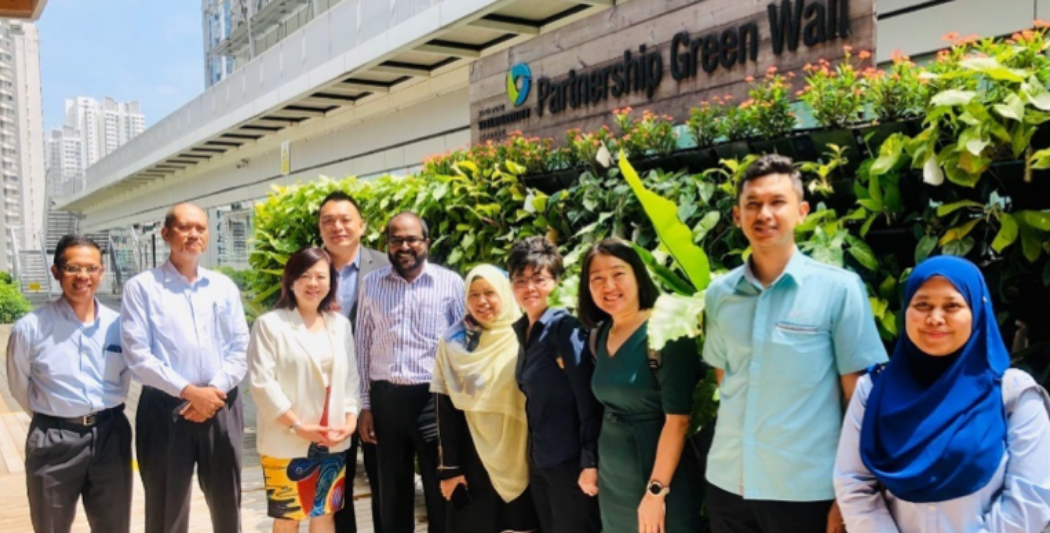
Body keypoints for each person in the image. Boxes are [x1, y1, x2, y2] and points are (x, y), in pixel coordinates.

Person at [702, 154, 888, 533]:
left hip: (805, 492)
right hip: (728, 484)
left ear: (802, 212)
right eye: (752, 204)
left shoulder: (839, 290)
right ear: (737, 216)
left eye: (777, 202)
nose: (764, 214)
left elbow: (860, 400)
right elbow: (727, 380)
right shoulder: (720, 294)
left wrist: (852, 493)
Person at [834, 255, 1050, 533]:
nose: (935, 318)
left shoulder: (1012, 393)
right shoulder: (873, 390)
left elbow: (1032, 496)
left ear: (977, 312)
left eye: (952, 306)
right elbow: (854, 483)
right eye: (922, 305)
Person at [121, 203, 250, 533]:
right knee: (166, 509)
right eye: (184, 227)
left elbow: (240, 347)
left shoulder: (224, 286)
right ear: (166, 234)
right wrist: (190, 392)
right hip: (165, 409)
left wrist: (212, 391)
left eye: (200, 228)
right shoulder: (142, 287)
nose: (193, 234)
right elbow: (138, 355)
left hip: (221, 403)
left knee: (227, 504)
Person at [6, 235, 132, 533]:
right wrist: (55, 416)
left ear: (102, 272)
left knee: (114, 526)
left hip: (111, 434)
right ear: (56, 271)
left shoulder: (120, 326)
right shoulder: (30, 329)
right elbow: (19, 385)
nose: (83, 276)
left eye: (91, 268)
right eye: (73, 268)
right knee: (50, 526)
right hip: (54, 438)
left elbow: (128, 375)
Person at [578, 238, 704, 533]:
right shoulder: (601, 334)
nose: (609, 286)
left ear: (638, 275)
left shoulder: (668, 332)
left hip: (659, 481)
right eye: (597, 278)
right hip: (614, 482)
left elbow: (678, 421)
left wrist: (656, 493)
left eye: (618, 273)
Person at [355, 212, 466, 533]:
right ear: (387, 245)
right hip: (385, 401)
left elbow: (463, 345)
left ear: (426, 242)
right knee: (391, 493)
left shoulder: (450, 283)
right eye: (396, 240)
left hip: (434, 400)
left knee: (440, 489)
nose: (404, 247)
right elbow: (362, 345)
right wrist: (365, 405)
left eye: (412, 239)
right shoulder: (371, 284)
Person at [249, 246, 361, 533]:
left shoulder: (340, 325)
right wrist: (298, 426)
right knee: (288, 517)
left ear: (330, 283)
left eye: (321, 277)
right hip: (285, 438)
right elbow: (262, 383)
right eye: (305, 276)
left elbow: (350, 378)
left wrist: (350, 421)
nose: (313, 283)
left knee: (325, 514)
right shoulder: (270, 325)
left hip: (331, 437)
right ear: (290, 281)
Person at [431, 264, 540, 532]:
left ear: (505, 293)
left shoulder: (527, 335)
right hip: (472, 454)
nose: (482, 301)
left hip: (523, 453)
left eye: (490, 292)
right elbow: (444, 409)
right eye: (474, 294)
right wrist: (450, 469)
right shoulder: (453, 342)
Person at [507, 236, 602, 533]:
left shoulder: (564, 329)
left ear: (557, 282)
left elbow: (587, 398)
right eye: (520, 280)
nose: (529, 288)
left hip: (571, 463)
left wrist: (590, 462)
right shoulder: (525, 330)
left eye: (539, 279)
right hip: (541, 460)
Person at [317, 190, 389, 533]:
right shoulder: (308, 268)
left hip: (379, 391)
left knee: (384, 480)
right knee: (336, 486)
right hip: (327, 396)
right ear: (320, 228)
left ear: (362, 225)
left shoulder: (386, 266)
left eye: (345, 220)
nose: (338, 227)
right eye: (328, 221)